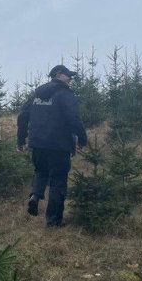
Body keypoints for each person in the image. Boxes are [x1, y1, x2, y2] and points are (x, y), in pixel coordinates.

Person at [17, 65, 88, 227]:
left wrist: (20, 140)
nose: (71, 78)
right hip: (59, 145)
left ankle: (34, 196)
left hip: (38, 144)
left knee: (40, 171)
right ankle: (53, 222)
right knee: (58, 180)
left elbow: (22, 117)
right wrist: (83, 139)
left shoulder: (36, 94)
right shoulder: (65, 94)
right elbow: (73, 119)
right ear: (58, 75)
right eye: (68, 75)